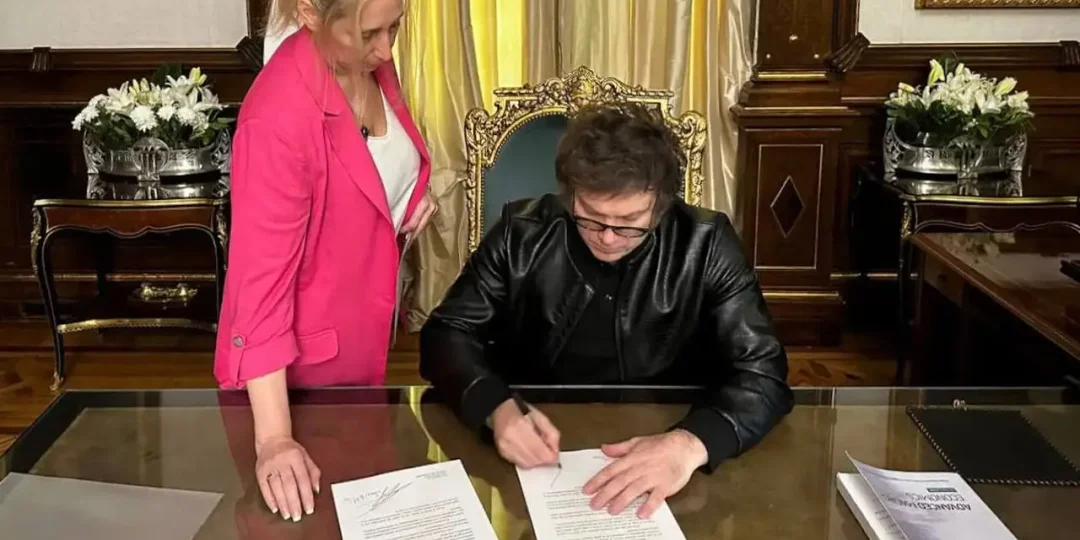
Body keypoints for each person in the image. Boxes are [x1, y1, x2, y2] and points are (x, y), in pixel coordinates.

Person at [419, 104, 793, 520]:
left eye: (629, 222)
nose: (609, 238)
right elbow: (446, 334)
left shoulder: (705, 244)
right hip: (539, 441)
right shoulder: (520, 232)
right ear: (570, 195)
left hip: (669, 433)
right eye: (592, 219)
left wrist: (690, 443)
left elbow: (763, 373)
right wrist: (497, 408)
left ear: (661, 205)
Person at [214, 0, 435, 521]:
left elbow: (369, 170)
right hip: (299, 389)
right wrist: (274, 440)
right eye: (370, 33)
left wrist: (408, 198)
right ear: (310, 13)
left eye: (396, 27)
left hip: (360, 357)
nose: (386, 50)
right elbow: (258, 289)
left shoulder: (362, 58)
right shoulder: (277, 116)